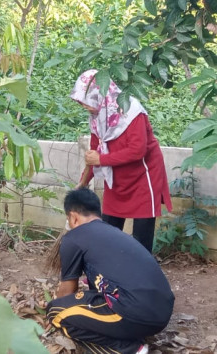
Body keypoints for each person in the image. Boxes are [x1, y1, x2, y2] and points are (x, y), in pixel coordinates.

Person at [46, 188, 175, 354]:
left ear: (73, 217)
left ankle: (130, 349)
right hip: (161, 314)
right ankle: (129, 335)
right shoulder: (114, 234)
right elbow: (98, 291)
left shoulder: (74, 238)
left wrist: (56, 305)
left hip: (134, 312)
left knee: (56, 312)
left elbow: (67, 291)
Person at [72, 69, 173, 252]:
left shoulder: (131, 110)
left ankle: (140, 274)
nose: (84, 106)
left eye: (86, 101)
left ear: (100, 93)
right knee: (109, 227)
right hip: (117, 175)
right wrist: (83, 182)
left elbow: (138, 150)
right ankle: (105, 271)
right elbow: (94, 153)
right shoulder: (97, 118)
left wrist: (102, 159)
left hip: (144, 175)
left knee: (141, 233)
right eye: (81, 102)